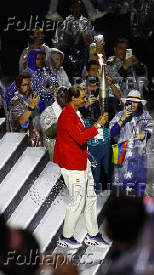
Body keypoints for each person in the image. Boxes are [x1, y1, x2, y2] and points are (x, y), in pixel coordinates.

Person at [54, 86, 110, 248]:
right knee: (77, 201)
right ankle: (66, 237)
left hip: (81, 161)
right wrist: (98, 125)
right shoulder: (67, 116)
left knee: (91, 198)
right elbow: (80, 138)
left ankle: (93, 235)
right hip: (72, 166)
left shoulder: (75, 113)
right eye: (82, 98)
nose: (85, 100)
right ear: (73, 99)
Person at [109, 90, 154, 196]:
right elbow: (111, 132)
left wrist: (146, 132)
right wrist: (123, 118)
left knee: (140, 185)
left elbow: (151, 128)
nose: (132, 104)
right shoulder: (119, 115)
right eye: (130, 102)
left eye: (135, 102)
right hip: (122, 155)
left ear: (139, 104)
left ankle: (138, 208)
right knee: (123, 186)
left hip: (140, 155)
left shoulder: (145, 115)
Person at [81, 79, 114, 190]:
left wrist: (102, 103)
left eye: (95, 87)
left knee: (107, 169)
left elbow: (111, 115)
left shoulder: (105, 99)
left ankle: (109, 189)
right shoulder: (82, 101)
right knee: (94, 170)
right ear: (87, 88)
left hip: (104, 141)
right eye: (91, 86)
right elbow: (80, 113)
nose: (93, 89)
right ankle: (93, 190)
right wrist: (86, 104)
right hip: (90, 142)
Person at [53, 0, 96, 78]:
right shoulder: (64, 24)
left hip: (83, 58)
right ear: (71, 9)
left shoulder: (86, 24)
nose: (77, 9)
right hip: (68, 59)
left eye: (79, 7)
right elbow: (58, 43)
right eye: (75, 7)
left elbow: (90, 41)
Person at [7, 73, 45, 147]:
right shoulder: (15, 102)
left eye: (29, 84)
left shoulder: (31, 98)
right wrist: (31, 107)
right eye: (24, 85)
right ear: (18, 87)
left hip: (38, 139)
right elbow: (21, 122)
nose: (27, 87)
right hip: (26, 144)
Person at [40, 86, 69, 160]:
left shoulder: (71, 109)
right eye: (61, 96)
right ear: (56, 97)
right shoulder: (48, 111)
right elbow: (47, 132)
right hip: (54, 146)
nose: (64, 99)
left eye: (66, 96)